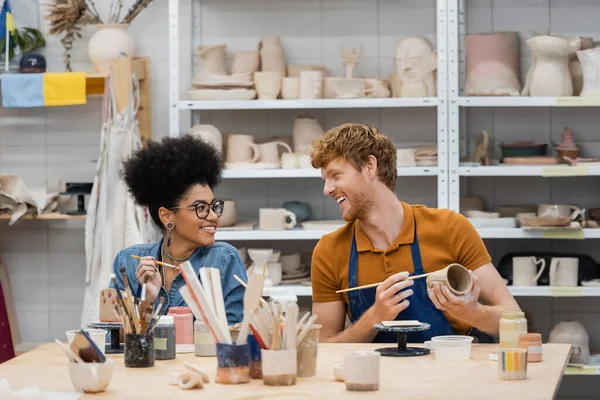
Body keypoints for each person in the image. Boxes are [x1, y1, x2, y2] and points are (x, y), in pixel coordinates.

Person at [309, 123, 520, 343]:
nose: (327, 189)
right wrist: (373, 318)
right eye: (325, 179)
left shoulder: (450, 228)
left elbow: (515, 320)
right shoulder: (329, 251)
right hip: (376, 375)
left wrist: (471, 312)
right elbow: (323, 349)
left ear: (369, 166)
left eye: (335, 175)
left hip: (451, 373)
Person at [109, 135, 246, 325]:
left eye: (214, 206)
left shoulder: (224, 260)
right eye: (200, 208)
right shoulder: (129, 263)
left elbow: (234, 338)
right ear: (166, 216)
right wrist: (147, 302)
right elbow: (112, 339)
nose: (214, 216)